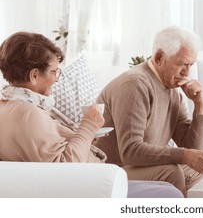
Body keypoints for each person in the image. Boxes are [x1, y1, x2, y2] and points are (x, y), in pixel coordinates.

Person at [0, 31, 184, 198]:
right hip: (89, 185)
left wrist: (88, 138)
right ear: (34, 75)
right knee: (168, 193)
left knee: (167, 182)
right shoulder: (29, 114)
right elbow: (64, 169)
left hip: (91, 177)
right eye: (54, 72)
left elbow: (48, 153)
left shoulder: (11, 106)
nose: (56, 79)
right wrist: (89, 125)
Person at [95, 26, 203, 197]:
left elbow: (193, 148)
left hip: (138, 167)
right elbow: (130, 151)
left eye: (191, 65)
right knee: (172, 172)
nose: (187, 72)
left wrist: (199, 105)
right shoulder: (135, 84)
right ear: (160, 57)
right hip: (113, 170)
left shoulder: (173, 91)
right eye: (182, 64)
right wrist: (184, 155)